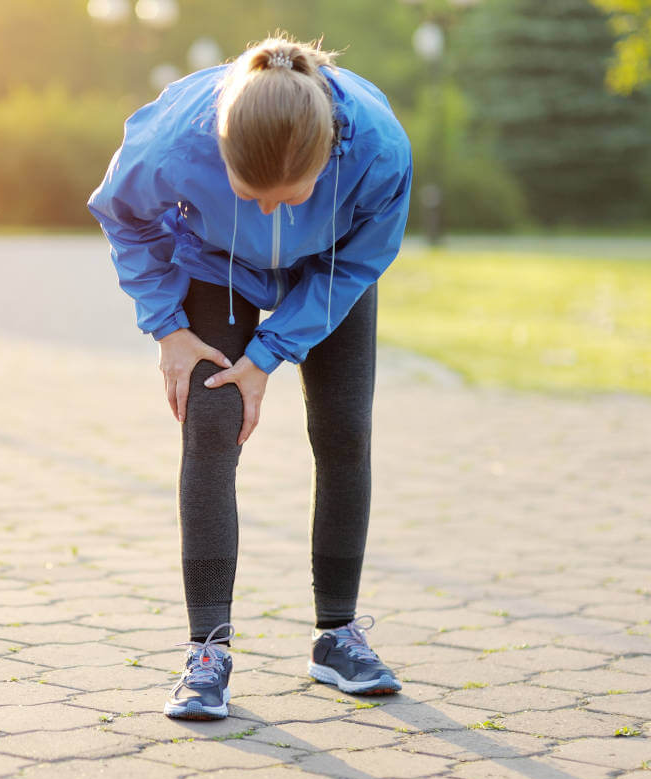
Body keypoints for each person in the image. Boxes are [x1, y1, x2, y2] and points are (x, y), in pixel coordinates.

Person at [87, 32, 413, 721]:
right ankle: (207, 651)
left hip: (329, 268)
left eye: (288, 196)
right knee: (211, 428)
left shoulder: (379, 148)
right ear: (220, 152)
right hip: (215, 264)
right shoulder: (177, 139)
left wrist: (270, 353)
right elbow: (123, 213)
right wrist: (168, 327)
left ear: (329, 160)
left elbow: (360, 260)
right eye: (250, 194)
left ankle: (338, 637)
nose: (270, 211)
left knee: (345, 431)